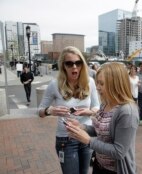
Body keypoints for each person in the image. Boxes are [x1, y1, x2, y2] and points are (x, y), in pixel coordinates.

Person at [65, 62, 139, 174]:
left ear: (115, 84)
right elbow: (100, 130)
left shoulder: (127, 112)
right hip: (99, 165)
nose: (97, 87)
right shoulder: (105, 103)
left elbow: (119, 152)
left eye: (102, 83)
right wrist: (81, 127)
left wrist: (88, 140)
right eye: (97, 83)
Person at [38, 46, 100, 174]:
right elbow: (40, 111)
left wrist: (89, 112)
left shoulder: (90, 82)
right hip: (66, 140)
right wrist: (50, 111)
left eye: (78, 63)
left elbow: (97, 107)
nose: (74, 67)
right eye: (69, 63)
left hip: (86, 135)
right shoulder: (55, 84)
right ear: (63, 66)